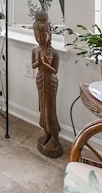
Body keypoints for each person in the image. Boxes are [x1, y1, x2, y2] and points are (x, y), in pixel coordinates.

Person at [32, 11, 63, 158]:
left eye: (43, 34)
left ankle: (55, 137)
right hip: (40, 79)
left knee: (50, 109)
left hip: (50, 81)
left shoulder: (54, 53)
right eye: (37, 34)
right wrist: (39, 63)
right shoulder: (35, 50)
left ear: (49, 33)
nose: (40, 38)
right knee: (42, 107)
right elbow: (34, 65)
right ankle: (46, 133)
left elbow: (54, 70)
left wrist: (45, 65)